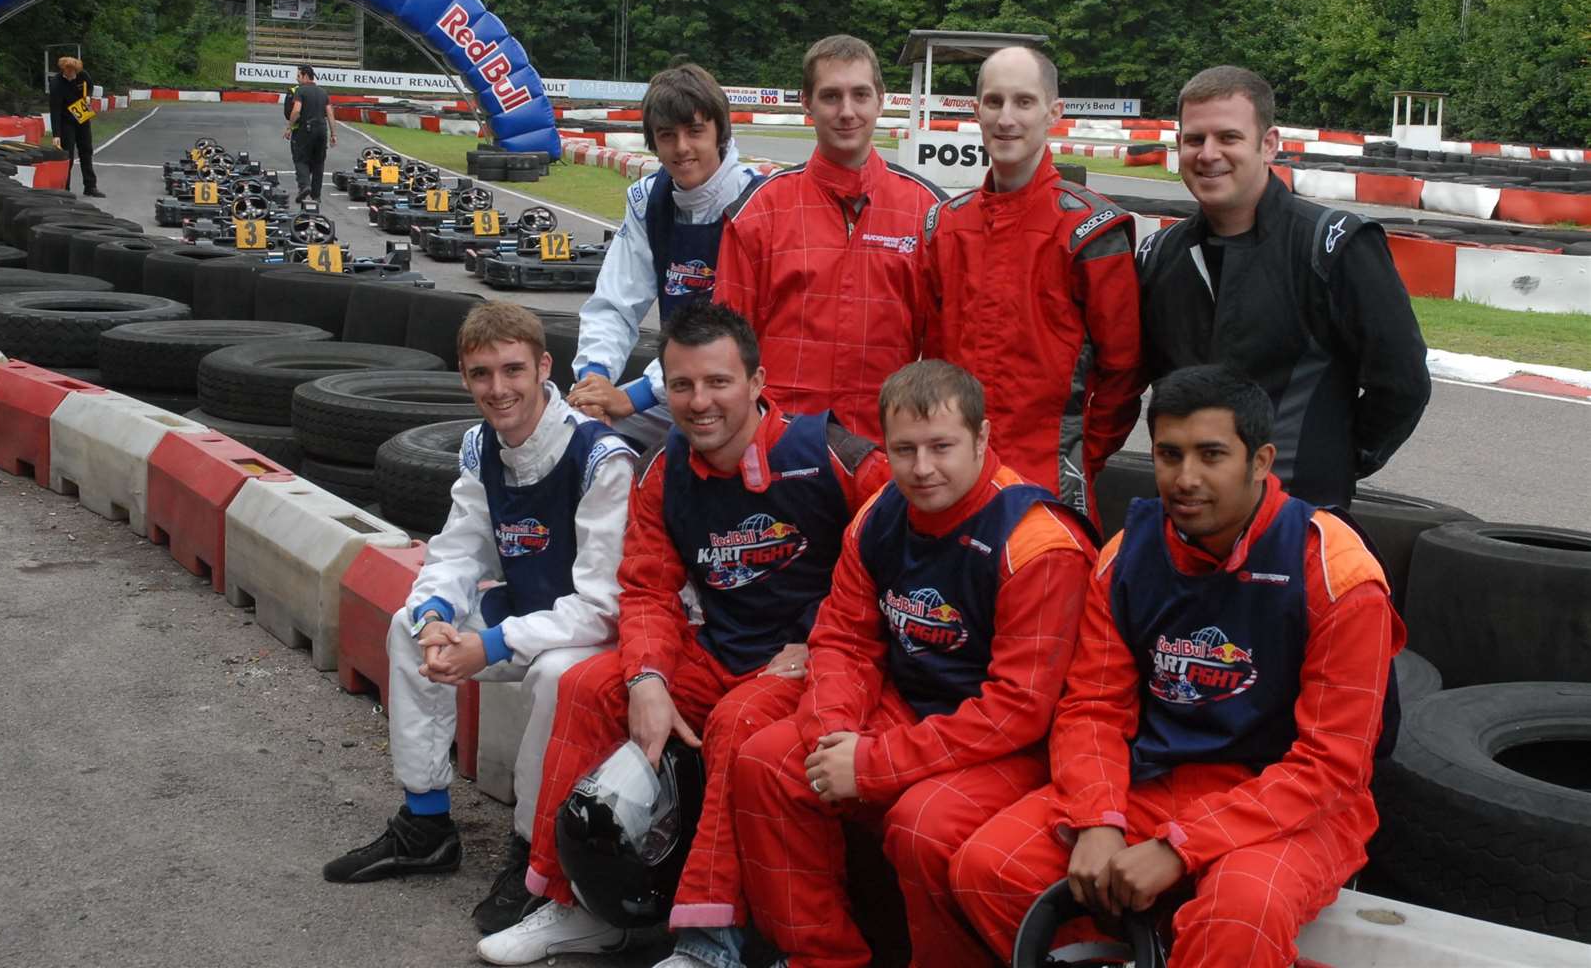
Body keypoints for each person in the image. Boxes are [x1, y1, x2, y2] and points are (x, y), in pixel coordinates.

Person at [476, 300, 891, 968]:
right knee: (587, 685)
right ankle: (576, 903)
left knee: (737, 722)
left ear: (757, 382)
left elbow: (901, 549)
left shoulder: (833, 455)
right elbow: (645, 588)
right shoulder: (665, 469)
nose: (700, 402)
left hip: (812, 664)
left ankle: (709, 943)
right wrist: (645, 677)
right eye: (682, 385)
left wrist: (822, 637)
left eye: (718, 382)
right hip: (719, 650)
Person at [951, 365, 1404, 968]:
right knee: (988, 866)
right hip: (1155, 781)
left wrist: (1181, 847)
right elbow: (1091, 706)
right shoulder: (1126, 556)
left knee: (1238, 914)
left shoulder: (1338, 573)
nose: (1186, 479)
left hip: (1293, 802)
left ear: (1261, 461)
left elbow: (1332, 767)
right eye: (1169, 454)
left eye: (1211, 454)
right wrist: (1097, 819)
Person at [732, 359, 1098, 968]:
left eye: (942, 447)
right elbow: (844, 640)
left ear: (982, 440)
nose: (922, 468)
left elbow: (1021, 709)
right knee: (770, 761)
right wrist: (833, 734)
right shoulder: (879, 514)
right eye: (904, 449)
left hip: (1016, 744)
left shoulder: (1038, 544)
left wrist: (873, 763)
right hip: (911, 705)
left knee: (922, 822)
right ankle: (824, 957)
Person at [322, 301, 638, 938]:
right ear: (464, 379)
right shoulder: (480, 446)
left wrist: (488, 644)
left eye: (513, 370)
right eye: (481, 375)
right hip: (527, 608)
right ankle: (426, 824)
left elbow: (604, 606)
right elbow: (459, 548)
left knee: (553, 674)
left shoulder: (603, 458)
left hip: (598, 632)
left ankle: (530, 855)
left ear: (544, 367)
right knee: (407, 632)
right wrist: (437, 615)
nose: (499, 390)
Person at [1134, 65, 1430, 506]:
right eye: (1195, 139)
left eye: (1228, 137)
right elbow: (1139, 382)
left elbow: (1403, 384)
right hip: (1186, 522)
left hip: (1300, 520)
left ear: (1267, 144)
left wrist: (1337, 461)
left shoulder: (1335, 244)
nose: (1208, 153)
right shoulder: (1158, 255)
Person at [920, 46, 1143, 525]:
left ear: (1053, 113)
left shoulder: (1093, 228)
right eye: (994, 102)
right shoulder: (945, 225)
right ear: (976, 110)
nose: (1006, 118)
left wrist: (1079, 455)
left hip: (1050, 480)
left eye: (1023, 102)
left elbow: (1124, 372)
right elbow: (934, 361)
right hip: (955, 476)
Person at [714, 34, 945, 441]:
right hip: (780, 448)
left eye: (860, 94)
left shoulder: (928, 213)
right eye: (831, 96)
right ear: (807, 103)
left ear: (881, 99)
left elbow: (947, 358)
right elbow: (724, 351)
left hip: (889, 451)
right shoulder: (759, 211)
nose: (847, 111)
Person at [568, 63, 761, 447]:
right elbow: (614, 302)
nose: (682, 148)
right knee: (573, 430)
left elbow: (737, 329)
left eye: (695, 131)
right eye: (667, 136)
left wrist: (633, 396)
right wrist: (594, 383)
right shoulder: (647, 201)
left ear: (720, 133)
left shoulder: (759, 203)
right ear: (653, 143)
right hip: (674, 389)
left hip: (746, 391)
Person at [49, 56, 102, 197]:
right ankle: (65, 188)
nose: (71, 74)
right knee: (68, 154)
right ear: (63, 69)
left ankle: (90, 186)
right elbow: (55, 110)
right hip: (66, 120)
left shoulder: (83, 75)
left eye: (73, 71)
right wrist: (56, 135)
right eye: (68, 71)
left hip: (82, 116)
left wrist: (88, 96)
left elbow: (90, 85)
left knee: (87, 150)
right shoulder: (56, 83)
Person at [284, 64, 338, 204]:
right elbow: (330, 114)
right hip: (322, 130)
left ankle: (304, 186)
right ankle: (316, 196)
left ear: (306, 76)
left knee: (301, 159)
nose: (297, 79)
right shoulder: (323, 92)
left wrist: (289, 127)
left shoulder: (300, 91)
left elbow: (296, 111)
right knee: (318, 163)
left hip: (305, 129)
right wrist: (333, 134)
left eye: (298, 76)